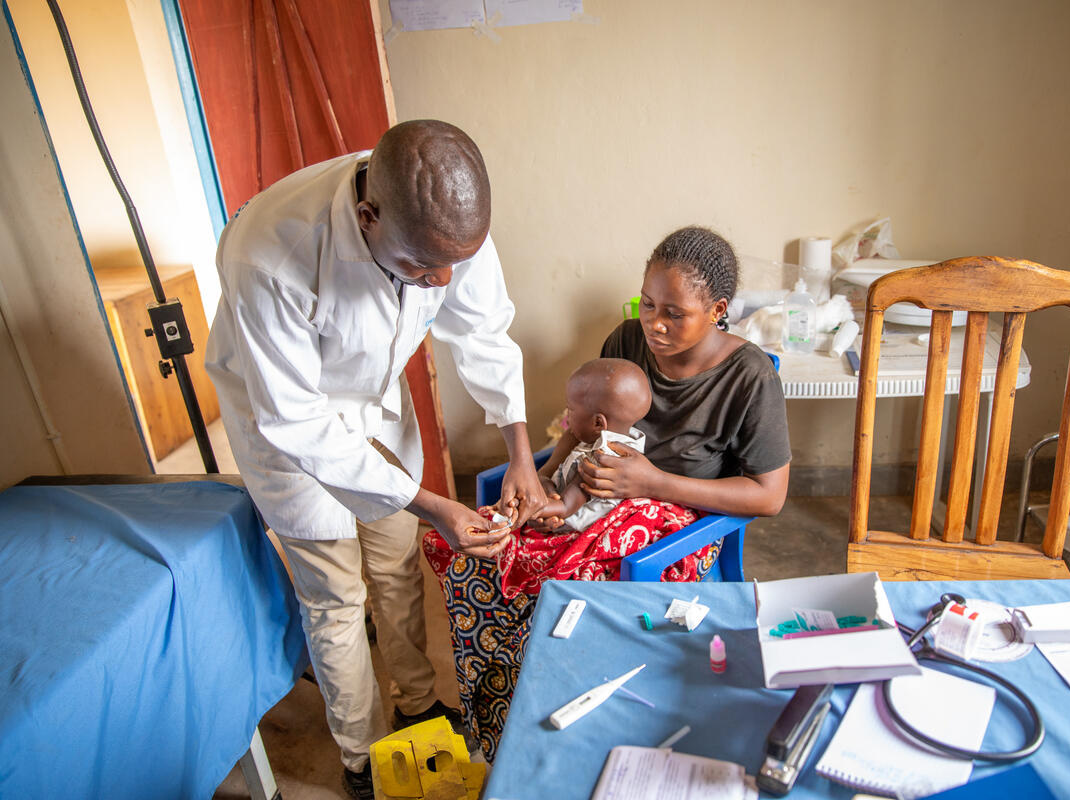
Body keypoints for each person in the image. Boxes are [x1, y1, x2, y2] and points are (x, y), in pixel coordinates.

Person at [204, 120, 546, 800]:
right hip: (284, 421)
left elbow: (482, 331)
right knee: (336, 595)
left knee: (395, 564)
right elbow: (297, 420)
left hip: (372, 403)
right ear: (368, 218)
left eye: (454, 265)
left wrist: (521, 454)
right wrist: (434, 503)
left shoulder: (446, 220)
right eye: (425, 270)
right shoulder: (270, 254)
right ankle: (361, 756)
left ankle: (417, 702)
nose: (442, 281)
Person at [424, 225, 791, 760]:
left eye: (674, 313)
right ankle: (506, 728)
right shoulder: (626, 340)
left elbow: (769, 496)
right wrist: (548, 480)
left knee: (560, 592)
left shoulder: (748, 377)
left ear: (717, 309)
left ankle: (575, 735)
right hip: (594, 494)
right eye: (647, 305)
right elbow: (581, 423)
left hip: (676, 521)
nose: (654, 325)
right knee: (481, 558)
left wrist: (653, 483)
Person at [530, 357, 651, 532]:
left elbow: (565, 506)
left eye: (570, 410)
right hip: (560, 507)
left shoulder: (605, 460)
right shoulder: (622, 439)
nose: (567, 416)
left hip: (577, 530)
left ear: (598, 423)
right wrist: (545, 484)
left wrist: (527, 508)